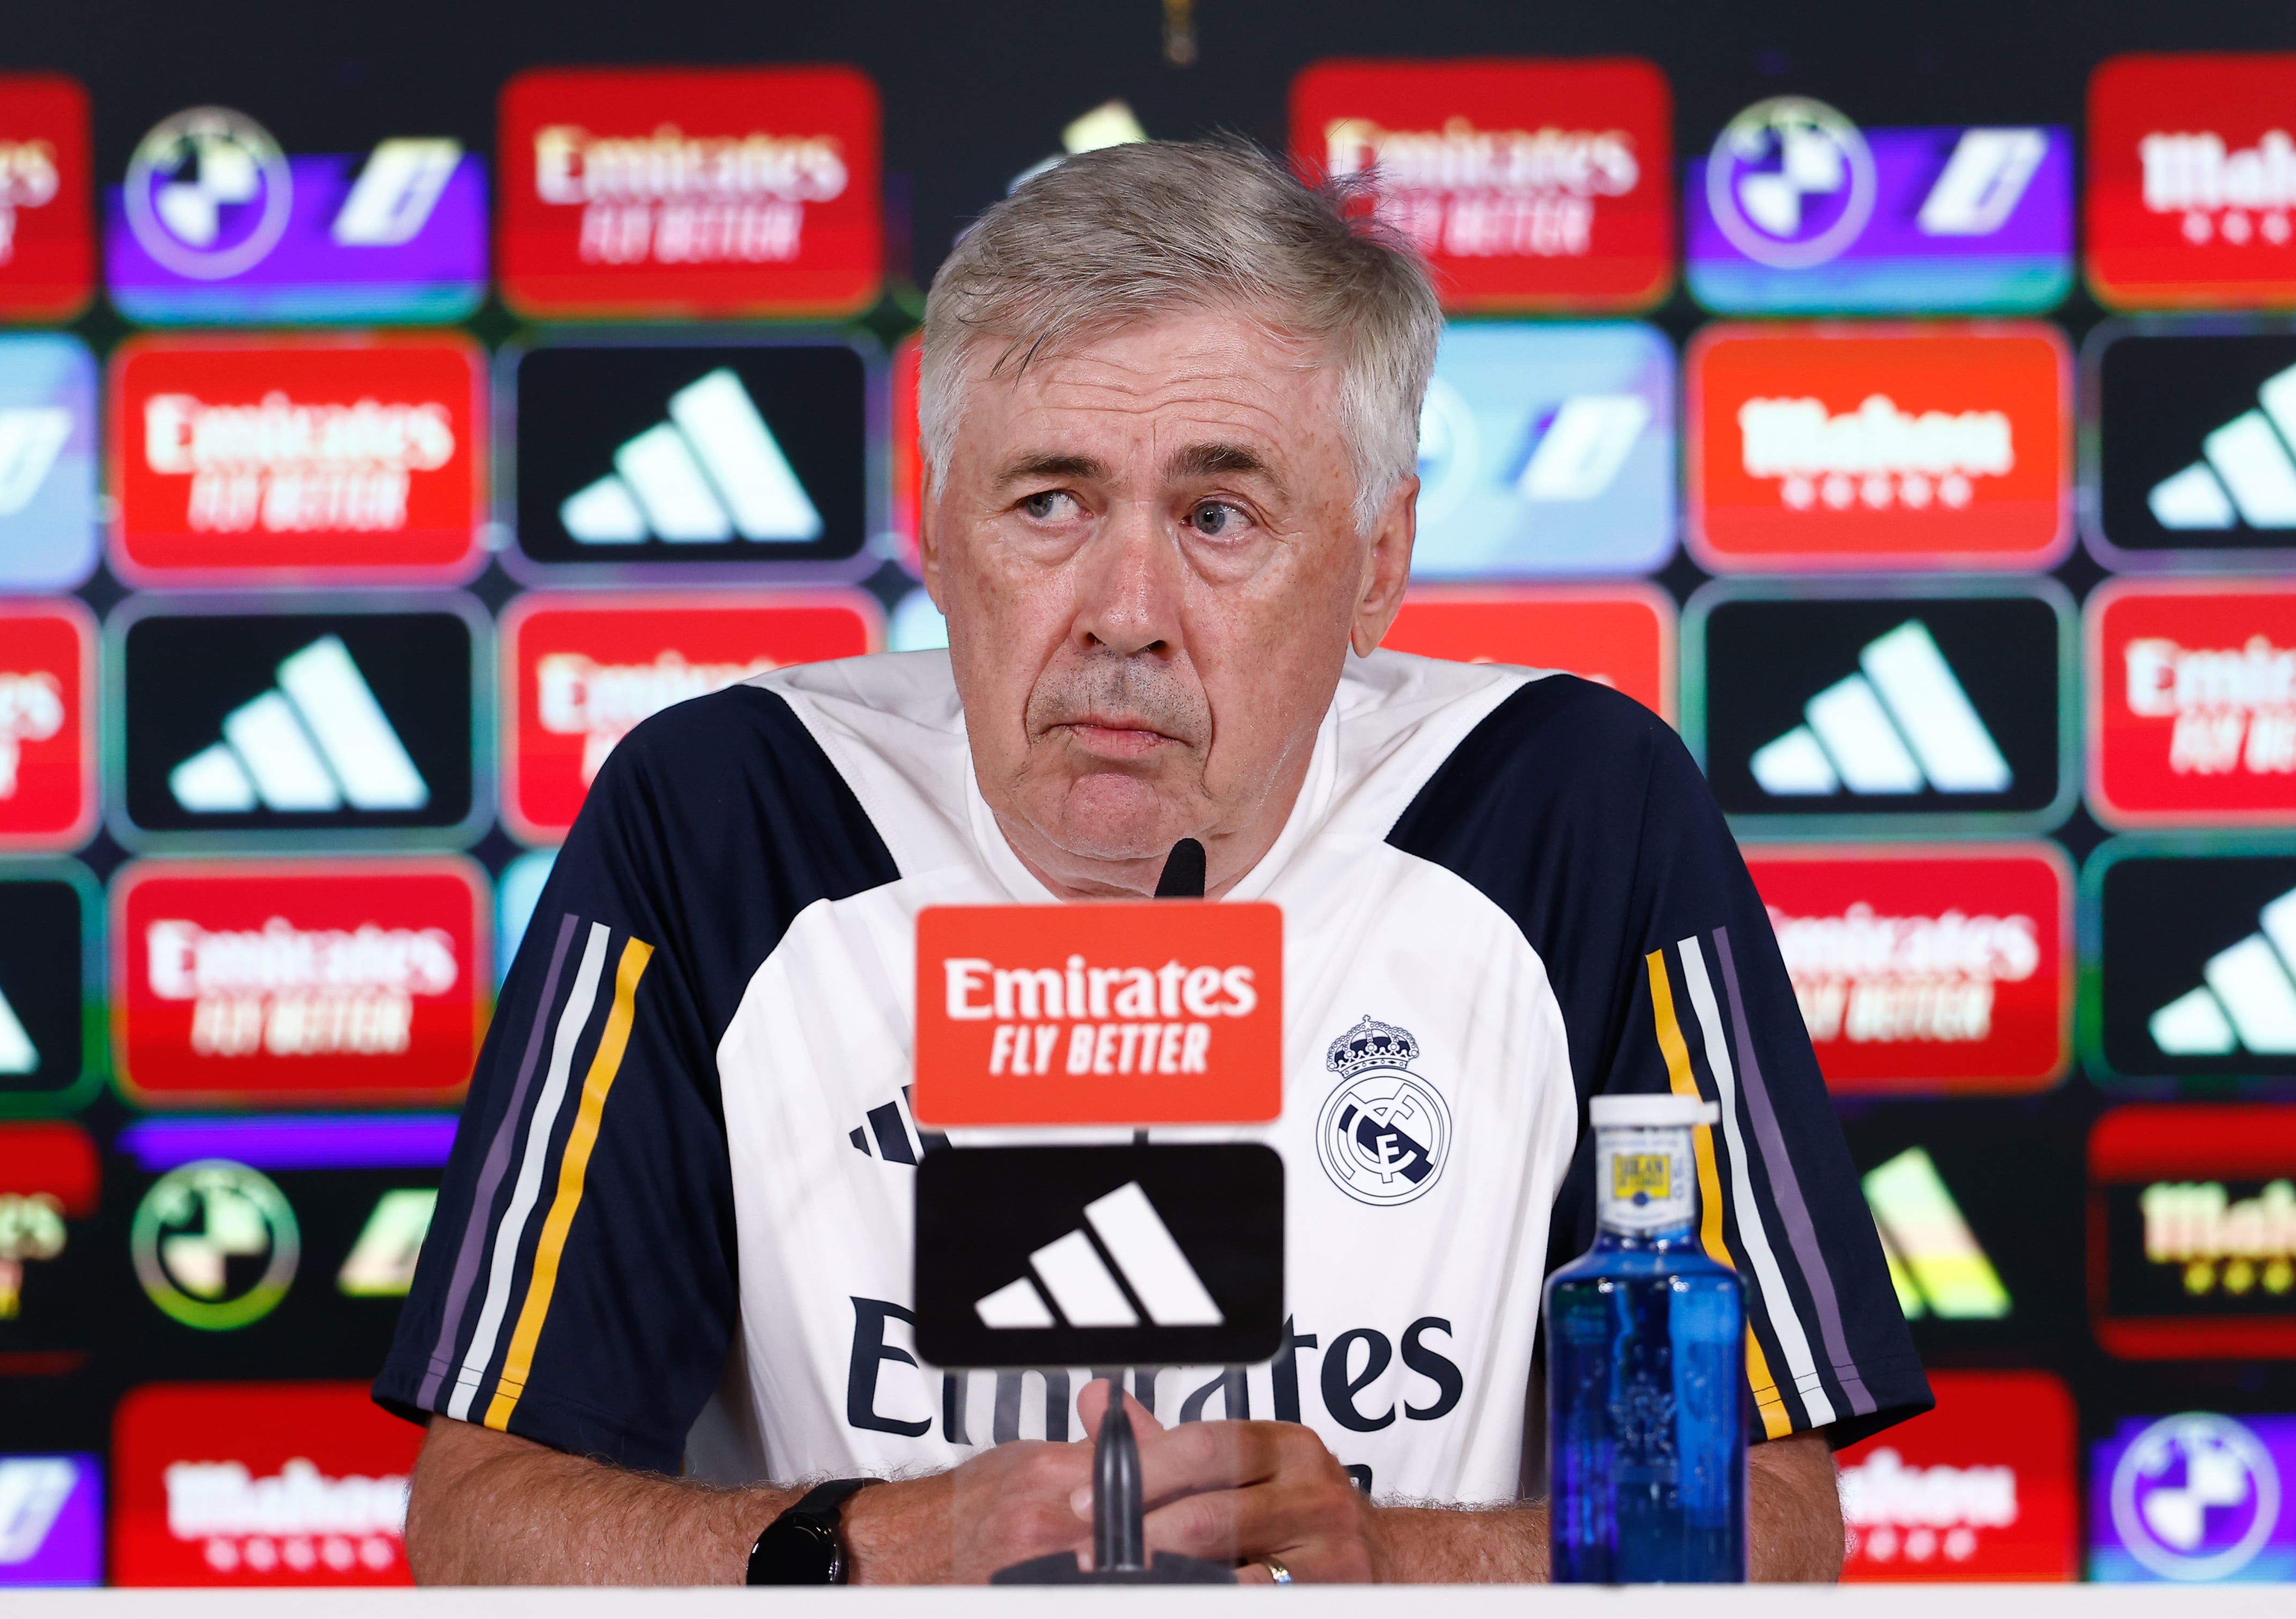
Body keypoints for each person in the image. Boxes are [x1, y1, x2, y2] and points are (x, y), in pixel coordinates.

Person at [381, 139, 1926, 1584]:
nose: (1126, 609)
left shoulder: (1562, 809)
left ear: (1377, 562)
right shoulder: (732, 811)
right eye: (1049, 501)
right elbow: (475, 1519)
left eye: (1217, 512)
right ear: (935, 527)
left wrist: (1388, 1565)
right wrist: (863, 1548)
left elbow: (1773, 1516)